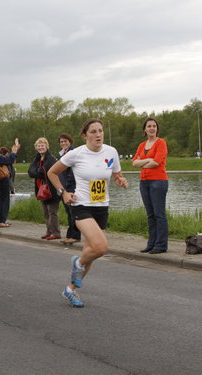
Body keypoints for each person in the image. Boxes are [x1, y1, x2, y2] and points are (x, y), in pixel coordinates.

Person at [47, 118, 128, 307]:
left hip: (102, 206)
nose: (98, 135)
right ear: (84, 135)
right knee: (100, 247)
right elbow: (52, 172)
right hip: (81, 205)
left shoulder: (111, 152)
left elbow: (116, 175)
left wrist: (121, 181)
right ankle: (77, 263)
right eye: (93, 132)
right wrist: (63, 192)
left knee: (90, 252)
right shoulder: (76, 154)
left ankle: (70, 290)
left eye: (100, 131)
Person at [132, 117, 169, 254]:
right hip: (144, 182)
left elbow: (157, 162)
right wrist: (148, 159)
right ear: (145, 129)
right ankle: (151, 243)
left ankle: (161, 245)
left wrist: (143, 162)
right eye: (149, 126)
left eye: (154, 126)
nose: (152, 128)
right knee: (150, 215)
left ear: (157, 128)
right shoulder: (142, 145)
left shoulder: (161, 143)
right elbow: (134, 162)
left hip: (158, 181)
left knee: (159, 214)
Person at [28, 137, 61, 240]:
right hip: (41, 190)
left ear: (47, 146)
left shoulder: (51, 158)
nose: (40, 147)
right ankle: (49, 231)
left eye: (42, 145)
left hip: (51, 189)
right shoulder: (37, 158)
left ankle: (56, 233)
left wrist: (37, 172)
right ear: (36, 148)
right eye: (39, 145)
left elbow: (45, 171)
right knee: (46, 212)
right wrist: (38, 171)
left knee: (52, 212)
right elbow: (30, 171)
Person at [57, 133, 81, 244]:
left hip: (71, 187)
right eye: (61, 142)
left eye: (65, 141)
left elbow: (72, 172)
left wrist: (67, 187)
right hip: (64, 188)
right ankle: (69, 235)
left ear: (70, 142)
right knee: (69, 212)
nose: (63, 143)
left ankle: (75, 236)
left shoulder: (73, 153)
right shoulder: (62, 154)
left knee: (73, 212)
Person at [0, 140, 19, 227]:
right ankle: (1, 221)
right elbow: (8, 160)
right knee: (4, 201)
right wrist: (14, 152)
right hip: (3, 179)